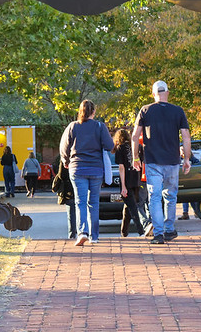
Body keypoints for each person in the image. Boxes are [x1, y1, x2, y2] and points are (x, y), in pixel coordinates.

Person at [132, 80, 191, 245]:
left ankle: (158, 234)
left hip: (153, 161)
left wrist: (135, 157)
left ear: (153, 94)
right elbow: (186, 136)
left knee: (155, 197)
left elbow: (135, 136)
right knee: (170, 196)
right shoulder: (178, 111)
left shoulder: (145, 110)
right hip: (172, 161)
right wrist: (186, 159)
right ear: (168, 93)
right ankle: (169, 230)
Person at [60, 99, 114, 246]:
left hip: (77, 169)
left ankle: (82, 232)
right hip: (96, 169)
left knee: (80, 202)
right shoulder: (99, 126)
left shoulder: (73, 126)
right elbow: (110, 145)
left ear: (80, 111)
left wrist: (66, 160)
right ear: (93, 112)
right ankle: (94, 236)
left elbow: (64, 147)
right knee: (94, 203)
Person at [113, 128, 147, 237]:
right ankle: (124, 232)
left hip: (127, 181)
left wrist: (123, 186)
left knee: (132, 207)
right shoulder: (137, 147)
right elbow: (141, 164)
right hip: (136, 180)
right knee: (129, 206)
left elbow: (121, 168)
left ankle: (141, 231)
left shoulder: (120, 149)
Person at [52, 159, 78, 239]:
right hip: (82, 186)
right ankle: (84, 232)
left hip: (69, 189)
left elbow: (61, 175)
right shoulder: (83, 153)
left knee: (71, 213)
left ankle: (72, 234)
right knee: (83, 210)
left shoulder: (65, 158)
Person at [178, 147, 200, 220]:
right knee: (185, 197)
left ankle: (196, 211)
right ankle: (185, 213)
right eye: (182, 151)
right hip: (182, 180)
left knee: (191, 197)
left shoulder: (192, 159)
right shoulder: (178, 159)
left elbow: (199, 164)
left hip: (190, 180)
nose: (183, 152)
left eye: (184, 150)